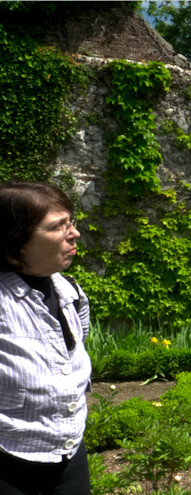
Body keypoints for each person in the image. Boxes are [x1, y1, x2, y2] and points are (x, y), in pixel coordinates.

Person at [0, 181, 92, 495]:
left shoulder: (70, 292)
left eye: (71, 222)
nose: (74, 233)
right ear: (15, 247)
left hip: (68, 454)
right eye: (57, 226)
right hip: (9, 461)